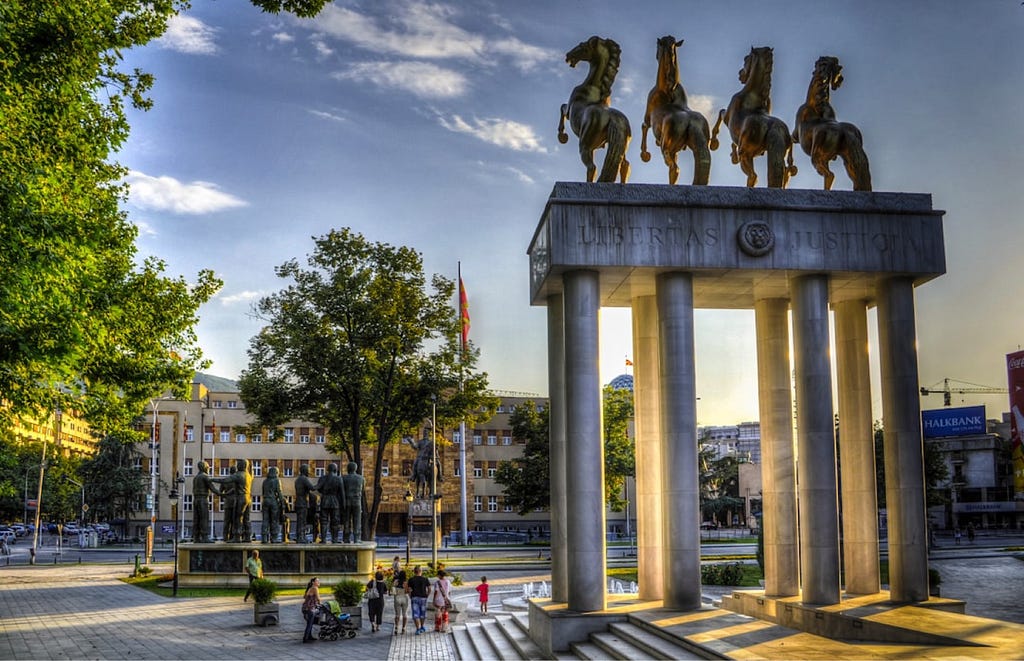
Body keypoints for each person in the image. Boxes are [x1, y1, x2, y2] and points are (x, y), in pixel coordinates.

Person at [192, 461, 220, 543]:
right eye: (208, 467)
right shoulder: (205, 477)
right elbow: (213, 489)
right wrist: (223, 494)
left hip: (196, 500)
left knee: (196, 519)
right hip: (203, 499)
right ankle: (204, 537)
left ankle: (196, 537)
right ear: (204, 468)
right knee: (204, 518)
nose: (208, 469)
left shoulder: (196, 478)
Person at [316, 463, 344, 543]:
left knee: (323, 521)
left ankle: (324, 539)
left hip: (325, 500)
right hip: (335, 501)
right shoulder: (338, 479)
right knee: (335, 521)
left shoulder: (323, 478)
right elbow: (342, 493)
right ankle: (334, 539)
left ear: (328, 469)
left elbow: (318, 488)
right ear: (335, 469)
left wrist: (324, 492)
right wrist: (343, 504)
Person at [341, 461, 365, 543]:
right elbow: (363, 490)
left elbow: (341, 491)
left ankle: (346, 538)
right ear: (356, 469)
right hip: (357, 501)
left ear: (348, 469)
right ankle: (357, 538)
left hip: (347, 501)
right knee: (357, 520)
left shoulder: (343, 478)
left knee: (347, 520)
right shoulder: (361, 478)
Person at [293, 464, 317, 543]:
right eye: (308, 470)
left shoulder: (298, 479)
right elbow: (312, 488)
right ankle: (301, 538)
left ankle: (300, 536)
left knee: (300, 521)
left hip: (298, 502)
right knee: (302, 521)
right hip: (302, 502)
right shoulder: (304, 479)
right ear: (305, 470)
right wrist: (320, 484)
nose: (309, 471)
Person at [407, 565, 431, 635]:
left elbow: (409, 590)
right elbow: (429, 589)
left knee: (415, 614)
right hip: (423, 598)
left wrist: (410, 596)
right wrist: (427, 595)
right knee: (422, 614)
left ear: (414, 572)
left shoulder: (411, 579)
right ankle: (422, 626)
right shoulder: (425, 579)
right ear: (421, 571)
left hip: (414, 597)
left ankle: (418, 629)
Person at [301, 577, 321, 643]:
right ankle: (305, 638)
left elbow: (305, 597)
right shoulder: (315, 588)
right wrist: (320, 603)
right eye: (317, 581)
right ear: (313, 582)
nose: (319, 582)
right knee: (310, 623)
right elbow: (318, 598)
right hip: (310, 608)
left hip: (305, 608)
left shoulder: (310, 588)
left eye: (319, 581)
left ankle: (309, 636)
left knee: (310, 623)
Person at [432, 569, 452, 633]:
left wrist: (434, 599)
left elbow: (436, 591)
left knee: (438, 614)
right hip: (445, 601)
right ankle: (444, 628)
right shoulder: (448, 582)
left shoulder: (437, 582)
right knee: (445, 614)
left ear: (439, 575)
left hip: (438, 600)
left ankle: (438, 628)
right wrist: (448, 598)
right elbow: (449, 591)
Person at [392, 568, 409, 635]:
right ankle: (403, 628)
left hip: (397, 598)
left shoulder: (396, 582)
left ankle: (396, 627)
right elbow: (407, 591)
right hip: (404, 598)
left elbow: (393, 591)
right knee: (405, 614)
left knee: (397, 614)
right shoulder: (406, 583)